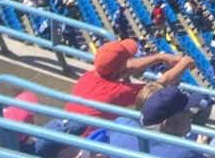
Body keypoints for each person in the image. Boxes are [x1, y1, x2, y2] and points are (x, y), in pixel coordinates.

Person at [67, 39, 196, 119]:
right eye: (128, 59)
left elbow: (123, 69)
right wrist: (184, 63)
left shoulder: (87, 76)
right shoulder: (117, 92)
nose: (131, 61)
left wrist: (160, 58)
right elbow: (159, 86)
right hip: (86, 152)